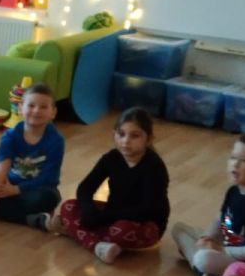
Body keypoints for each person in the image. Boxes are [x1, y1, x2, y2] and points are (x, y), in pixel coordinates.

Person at [47, 106, 169, 264]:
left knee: (122, 230)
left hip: (143, 223)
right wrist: (88, 209)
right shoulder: (112, 158)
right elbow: (85, 187)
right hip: (111, 214)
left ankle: (80, 234)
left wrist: (103, 217)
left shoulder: (154, 167)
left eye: (135, 136)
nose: (126, 141)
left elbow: (147, 209)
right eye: (121, 134)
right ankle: (99, 244)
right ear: (114, 134)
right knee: (69, 206)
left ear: (149, 139)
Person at [171, 131, 245, 276]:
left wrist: (221, 249)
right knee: (179, 229)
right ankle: (208, 271)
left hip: (244, 261)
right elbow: (221, 219)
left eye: (244, 161)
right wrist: (207, 237)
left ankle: (205, 272)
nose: (235, 164)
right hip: (225, 245)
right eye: (233, 157)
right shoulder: (233, 191)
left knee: (203, 259)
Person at [0, 82, 64, 227]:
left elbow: (48, 178)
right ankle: (33, 219)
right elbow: (2, 169)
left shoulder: (56, 140)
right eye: (31, 105)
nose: (36, 110)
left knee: (48, 198)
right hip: (9, 184)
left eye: (43, 107)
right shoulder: (10, 136)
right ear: (20, 108)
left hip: (37, 188)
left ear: (53, 112)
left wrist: (16, 190)